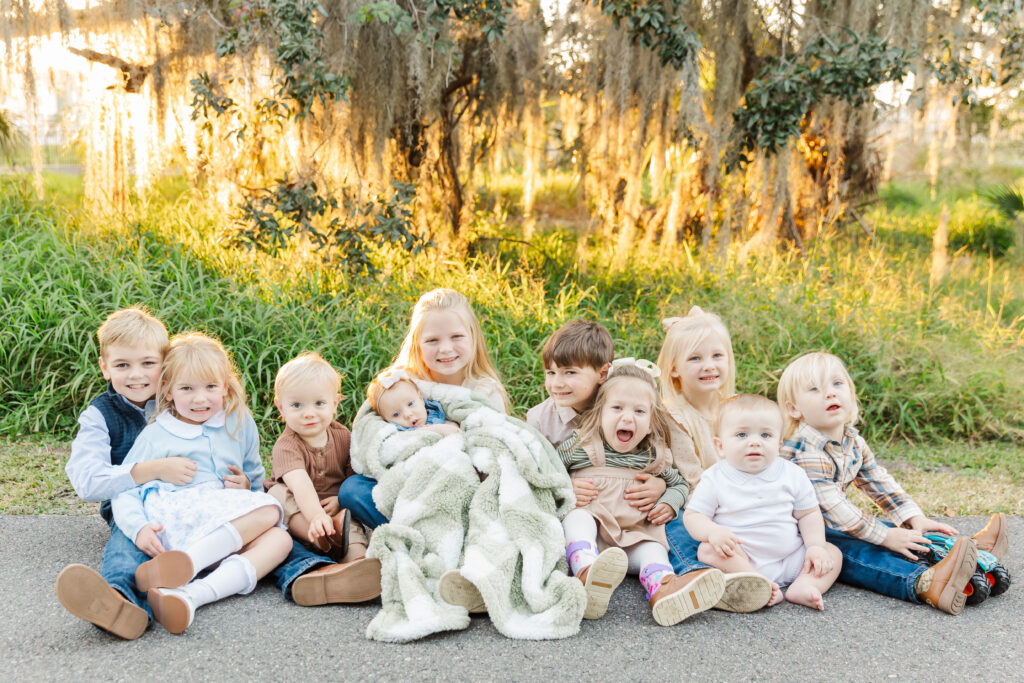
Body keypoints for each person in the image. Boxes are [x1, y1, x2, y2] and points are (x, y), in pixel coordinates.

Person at [778, 351, 1009, 615]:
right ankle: (926, 582)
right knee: (862, 552)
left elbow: (877, 481)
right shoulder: (804, 448)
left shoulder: (851, 439)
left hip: (832, 524)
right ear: (793, 408)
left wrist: (913, 518)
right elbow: (831, 507)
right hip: (801, 534)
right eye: (814, 389)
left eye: (837, 384)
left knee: (900, 534)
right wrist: (886, 536)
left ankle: (966, 555)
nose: (830, 393)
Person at [110, 332, 292, 634]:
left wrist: (246, 486)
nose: (200, 398)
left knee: (281, 541)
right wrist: (138, 528)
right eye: (187, 388)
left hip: (222, 528)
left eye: (210, 387)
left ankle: (189, 596)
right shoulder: (158, 433)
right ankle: (184, 564)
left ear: (225, 386)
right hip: (178, 521)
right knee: (271, 512)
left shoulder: (238, 421)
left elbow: (255, 475)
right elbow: (125, 486)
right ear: (167, 391)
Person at [557, 360, 725, 626]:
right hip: (593, 526)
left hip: (633, 536)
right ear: (599, 414)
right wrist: (566, 486)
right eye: (617, 408)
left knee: (652, 549)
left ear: (650, 424)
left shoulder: (654, 456)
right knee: (577, 519)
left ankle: (663, 588)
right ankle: (586, 570)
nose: (627, 417)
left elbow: (680, 484)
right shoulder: (582, 445)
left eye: (639, 411)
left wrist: (670, 501)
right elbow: (548, 469)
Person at [338, 289, 509, 531]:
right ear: (417, 344)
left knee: (496, 506)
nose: (446, 349)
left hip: (458, 492)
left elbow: (493, 454)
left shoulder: (484, 391)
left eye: (456, 336)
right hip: (409, 485)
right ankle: (423, 535)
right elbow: (371, 438)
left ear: (473, 336)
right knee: (352, 489)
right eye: (432, 340)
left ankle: (437, 538)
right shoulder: (402, 384)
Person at [56, 307, 173, 639]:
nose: (136, 375)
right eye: (123, 365)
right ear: (105, 367)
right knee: (130, 543)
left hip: (188, 498)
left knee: (259, 524)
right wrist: (149, 471)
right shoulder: (99, 415)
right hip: (132, 507)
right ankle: (118, 601)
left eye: (148, 363)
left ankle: (308, 570)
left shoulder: (182, 400)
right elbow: (87, 481)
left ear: (166, 364)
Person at [656, 306, 773, 612]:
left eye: (717, 356)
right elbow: (691, 481)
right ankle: (700, 579)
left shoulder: (737, 409)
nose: (708, 366)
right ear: (674, 369)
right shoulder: (674, 415)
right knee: (676, 526)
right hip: (701, 506)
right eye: (695, 358)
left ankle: (754, 573)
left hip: (743, 499)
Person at [683, 394, 842, 611]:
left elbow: (808, 514)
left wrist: (815, 546)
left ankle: (804, 585)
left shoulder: (792, 474)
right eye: (741, 434)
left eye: (765, 435)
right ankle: (757, 582)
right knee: (707, 550)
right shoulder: (715, 478)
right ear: (720, 446)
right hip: (741, 559)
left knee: (832, 552)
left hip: (791, 557)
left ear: (778, 443)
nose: (755, 441)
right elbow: (694, 516)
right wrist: (712, 532)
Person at [263, 352, 381, 600]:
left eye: (319, 404)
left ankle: (356, 569)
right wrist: (315, 517)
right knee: (277, 493)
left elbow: (353, 477)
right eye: (297, 405)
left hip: (335, 517)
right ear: (280, 406)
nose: (309, 413)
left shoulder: (343, 437)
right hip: (302, 520)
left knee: (352, 521)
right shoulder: (287, 445)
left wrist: (339, 499)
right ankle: (318, 542)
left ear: (335, 403)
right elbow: (300, 484)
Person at [526, 320, 667, 521]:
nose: (557, 383)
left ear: (602, 373)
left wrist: (660, 484)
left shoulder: (624, 403)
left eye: (570, 372)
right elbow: (533, 475)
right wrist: (563, 486)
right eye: (551, 372)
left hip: (624, 509)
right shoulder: (540, 421)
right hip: (577, 513)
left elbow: (654, 453)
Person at [366, 366, 459, 436]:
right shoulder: (398, 432)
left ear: (421, 398)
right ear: (385, 419)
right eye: (396, 414)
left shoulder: (434, 411)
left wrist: (451, 426)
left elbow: (453, 426)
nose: (407, 414)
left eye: (410, 404)